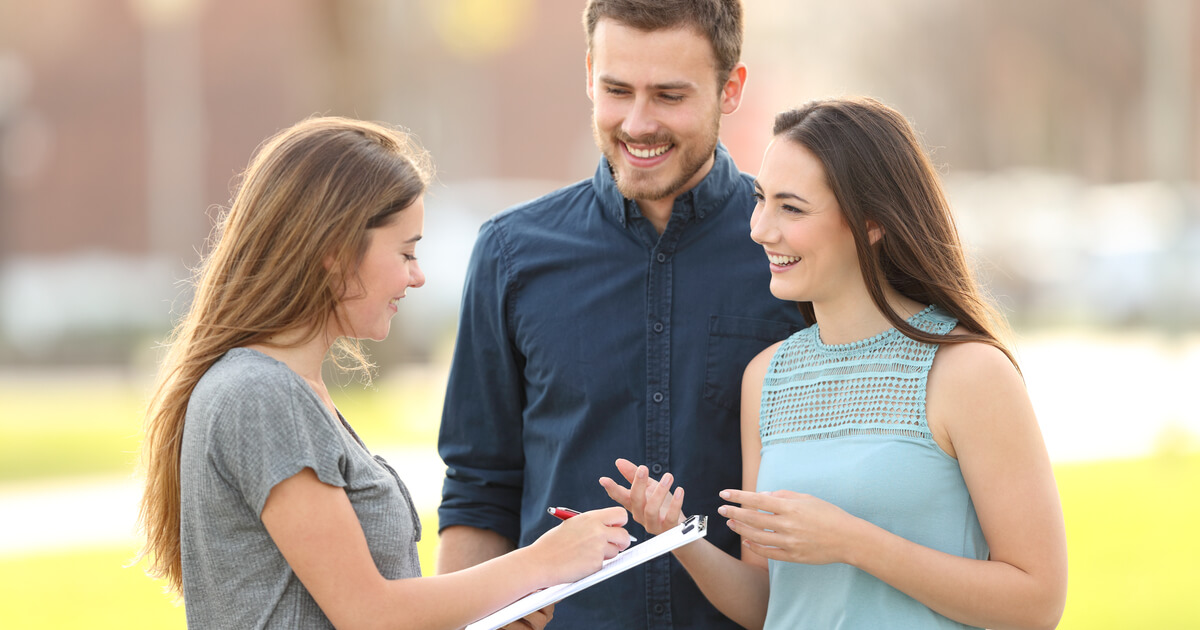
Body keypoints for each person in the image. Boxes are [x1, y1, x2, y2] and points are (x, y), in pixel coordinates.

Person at [135, 116, 631, 629]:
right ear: (334, 250)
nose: (417, 277)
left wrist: (498, 609)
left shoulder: (288, 391)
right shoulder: (258, 395)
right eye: (407, 251)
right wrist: (541, 562)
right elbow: (369, 615)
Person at [602, 97, 1069, 629]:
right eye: (761, 200)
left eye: (791, 208)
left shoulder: (969, 373)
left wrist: (853, 542)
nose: (759, 229)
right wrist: (677, 536)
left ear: (870, 222)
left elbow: (1038, 603)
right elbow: (769, 605)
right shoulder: (768, 377)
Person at [436, 0, 808, 627]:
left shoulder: (794, 256)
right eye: (616, 90)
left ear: (731, 88)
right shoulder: (510, 255)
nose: (638, 123)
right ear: (588, 75)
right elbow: (479, 488)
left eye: (668, 95)